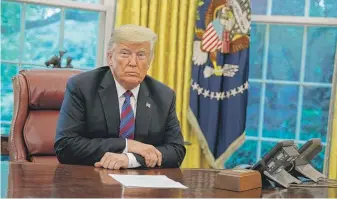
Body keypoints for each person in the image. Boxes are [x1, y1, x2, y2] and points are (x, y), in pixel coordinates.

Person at [54, 24, 186, 170]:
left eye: (141, 55)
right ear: (110, 58)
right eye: (125, 53)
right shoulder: (82, 87)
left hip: (142, 186)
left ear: (150, 61)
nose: (133, 63)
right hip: (91, 180)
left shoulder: (164, 96)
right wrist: (127, 145)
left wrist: (130, 159)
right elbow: (65, 146)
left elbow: (176, 150)